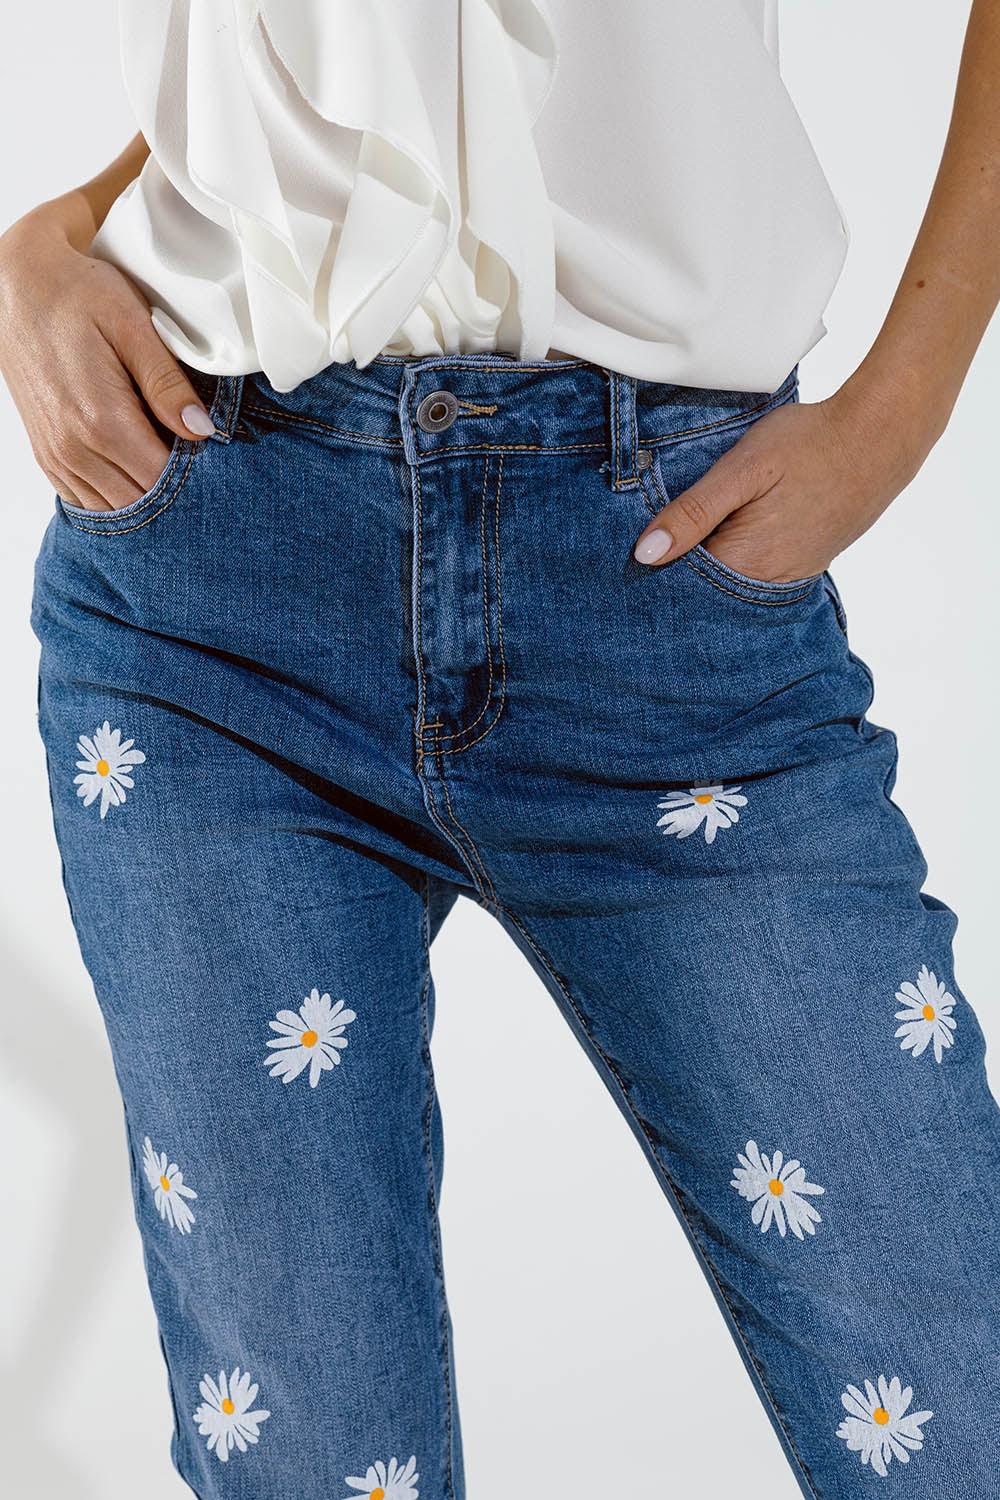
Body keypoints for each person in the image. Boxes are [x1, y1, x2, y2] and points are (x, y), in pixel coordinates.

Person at [2, 2, 999, 1497]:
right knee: (316, 1463)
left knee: (953, 1404)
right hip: (213, 583)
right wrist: (53, 233)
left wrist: (905, 400)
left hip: (670, 591)